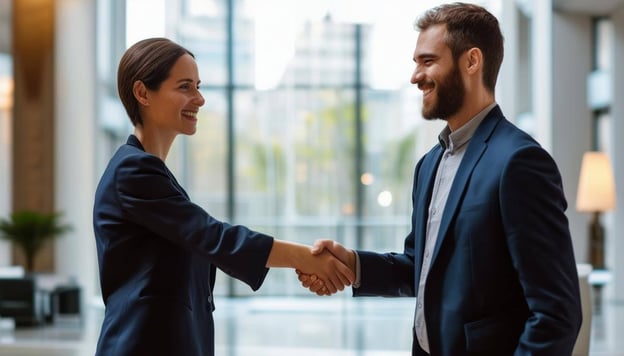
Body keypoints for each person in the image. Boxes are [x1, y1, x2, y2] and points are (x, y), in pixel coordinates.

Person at [299, 3, 582, 355]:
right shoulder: (429, 165)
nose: (415, 76)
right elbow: (419, 267)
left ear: (471, 61)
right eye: (416, 62)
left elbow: (557, 314)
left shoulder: (520, 162)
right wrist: (352, 263)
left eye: (428, 61)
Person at [92, 37, 353, 356]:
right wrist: (307, 258)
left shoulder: (151, 172)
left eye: (198, 86)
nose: (199, 99)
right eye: (185, 87)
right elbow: (214, 237)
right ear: (143, 93)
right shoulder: (132, 172)